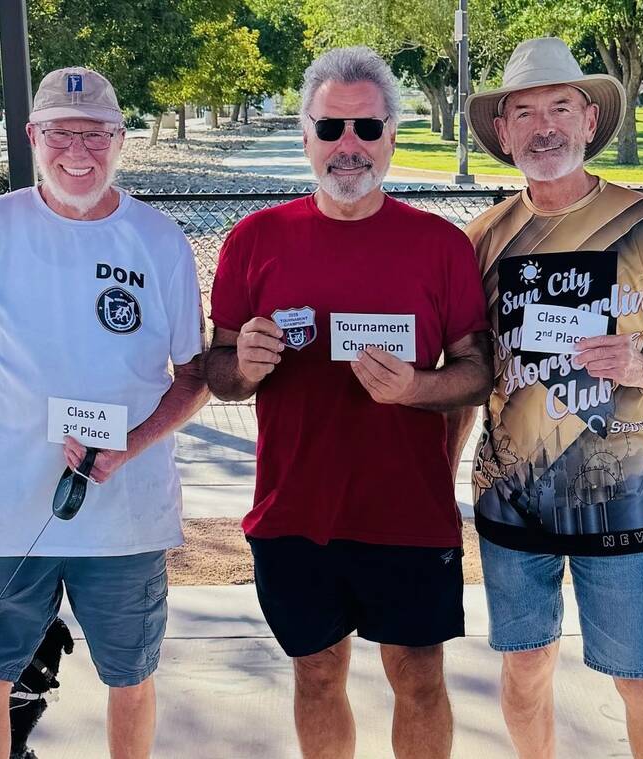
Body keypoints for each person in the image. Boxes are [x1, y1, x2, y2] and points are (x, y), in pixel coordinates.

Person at [204, 47, 493, 759]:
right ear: (305, 136)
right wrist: (241, 366)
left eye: (367, 128)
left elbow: (478, 370)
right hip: (296, 508)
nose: (349, 146)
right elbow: (216, 369)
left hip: (408, 509)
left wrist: (417, 389)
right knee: (317, 672)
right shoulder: (254, 241)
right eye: (331, 128)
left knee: (419, 677)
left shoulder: (440, 245)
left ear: (393, 135)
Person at [454, 38, 643, 758]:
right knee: (525, 663)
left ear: (589, 122)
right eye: (525, 112)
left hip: (624, 496)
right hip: (512, 495)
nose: (544, 127)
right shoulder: (481, 239)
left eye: (561, 108)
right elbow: (468, 371)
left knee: (642, 679)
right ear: (503, 133)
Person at [0, 66, 208, 759]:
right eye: (63, 133)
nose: (79, 153)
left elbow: (197, 374)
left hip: (127, 513)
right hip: (10, 515)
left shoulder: (157, 241)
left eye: (96, 134)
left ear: (121, 140)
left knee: (130, 680)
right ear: (34, 136)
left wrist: (130, 443)